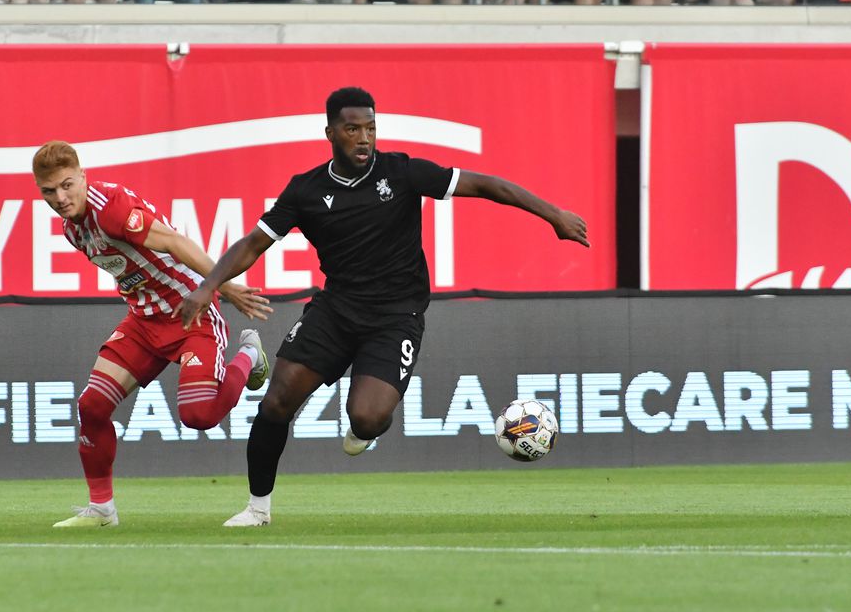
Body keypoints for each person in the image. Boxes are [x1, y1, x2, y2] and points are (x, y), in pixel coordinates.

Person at [178, 87, 590, 528]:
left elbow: (485, 185)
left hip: (396, 317)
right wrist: (209, 286)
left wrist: (554, 215)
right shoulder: (306, 191)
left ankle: (364, 430)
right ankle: (257, 509)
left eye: (370, 128)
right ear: (331, 133)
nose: (363, 138)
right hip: (335, 311)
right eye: (352, 129)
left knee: (368, 417)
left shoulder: (403, 173)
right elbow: (252, 243)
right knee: (277, 402)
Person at [32, 140, 274, 529]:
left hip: (190, 315)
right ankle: (102, 511)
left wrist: (222, 287)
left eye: (66, 185)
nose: (60, 198)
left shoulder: (111, 210)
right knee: (92, 406)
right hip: (144, 323)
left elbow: (176, 242)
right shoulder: (71, 229)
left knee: (198, 415)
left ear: (82, 176)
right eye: (49, 191)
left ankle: (249, 356)